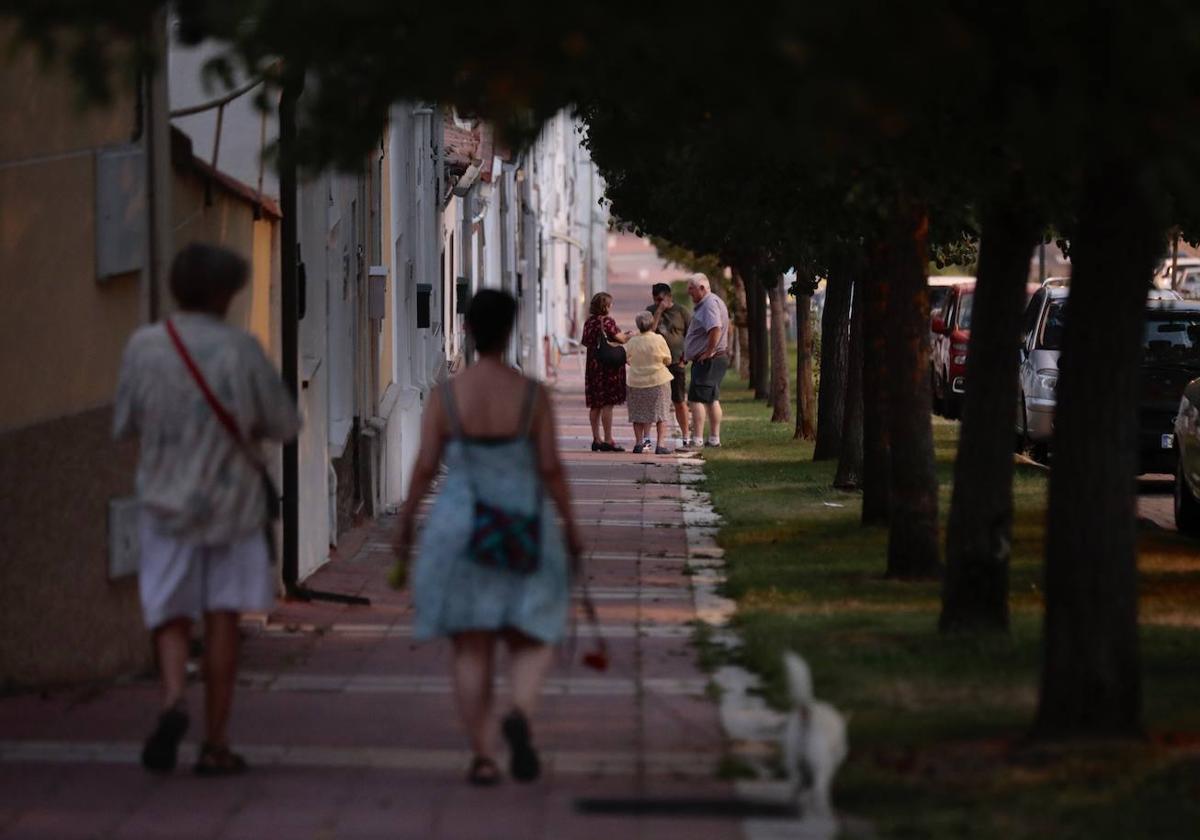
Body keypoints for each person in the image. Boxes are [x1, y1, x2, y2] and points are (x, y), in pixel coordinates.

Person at [113, 243, 301, 776]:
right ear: (224, 293)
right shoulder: (241, 350)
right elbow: (285, 424)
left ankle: (173, 700)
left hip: (164, 502)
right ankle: (216, 744)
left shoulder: (144, 347)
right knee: (222, 620)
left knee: (170, 614)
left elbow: (124, 422)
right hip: (233, 508)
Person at [394, 289, 584, 786]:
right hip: (521, 524)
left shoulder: (446, 396)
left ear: (469, 331)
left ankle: (482, 754)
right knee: (532, 632)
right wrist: (573, 529)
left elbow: (424, 468)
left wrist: (406, 525)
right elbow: (551, 470)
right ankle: (519, 710)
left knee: (470, 646)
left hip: (460, 526)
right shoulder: (532, 397)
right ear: (511, 329)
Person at [682, 273, 731, 448]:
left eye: (691, 289)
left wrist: (709, 352)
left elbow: (715, 329)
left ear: (702, 288)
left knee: (697, 399)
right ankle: (714, 438)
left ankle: (697, 439)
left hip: (709, 360)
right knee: (711, 399)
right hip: (713, 359)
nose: (689, 292)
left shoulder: (709, 304)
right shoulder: (711, 302)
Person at [581, 291, 629, 452]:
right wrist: (629, 335)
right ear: (605, 306)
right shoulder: (607, 322)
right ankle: (608, 439)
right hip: (607, 367)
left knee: (595, 404)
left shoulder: (588, 322)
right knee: (608, 403)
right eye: (610, 304)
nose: (611, 306)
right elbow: (620, 338)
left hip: (593, 366)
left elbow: (586, 342)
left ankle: (596, 439)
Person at [646, 282, 693, 448]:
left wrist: (686, 356)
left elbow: (691, 334)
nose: (659, 303)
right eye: (656, 300)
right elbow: (648, 333)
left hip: (676, 362)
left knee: (679, 400)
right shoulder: (650, 311)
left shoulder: (681, 311)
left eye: (661, 300)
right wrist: (658, 312)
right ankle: (649, 439)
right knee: (655, 402)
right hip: (657, 365)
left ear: (669, 297)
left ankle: (686, 435)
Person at [625, 311, 675, 454]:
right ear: (652, 323)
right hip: (658, 380)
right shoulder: (658, 339)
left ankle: (639, 443)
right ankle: (660, 444)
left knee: (638, 414)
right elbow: (668, 359)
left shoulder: (633, 341)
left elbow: (627, 358)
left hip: (635, 382)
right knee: (661, 414)